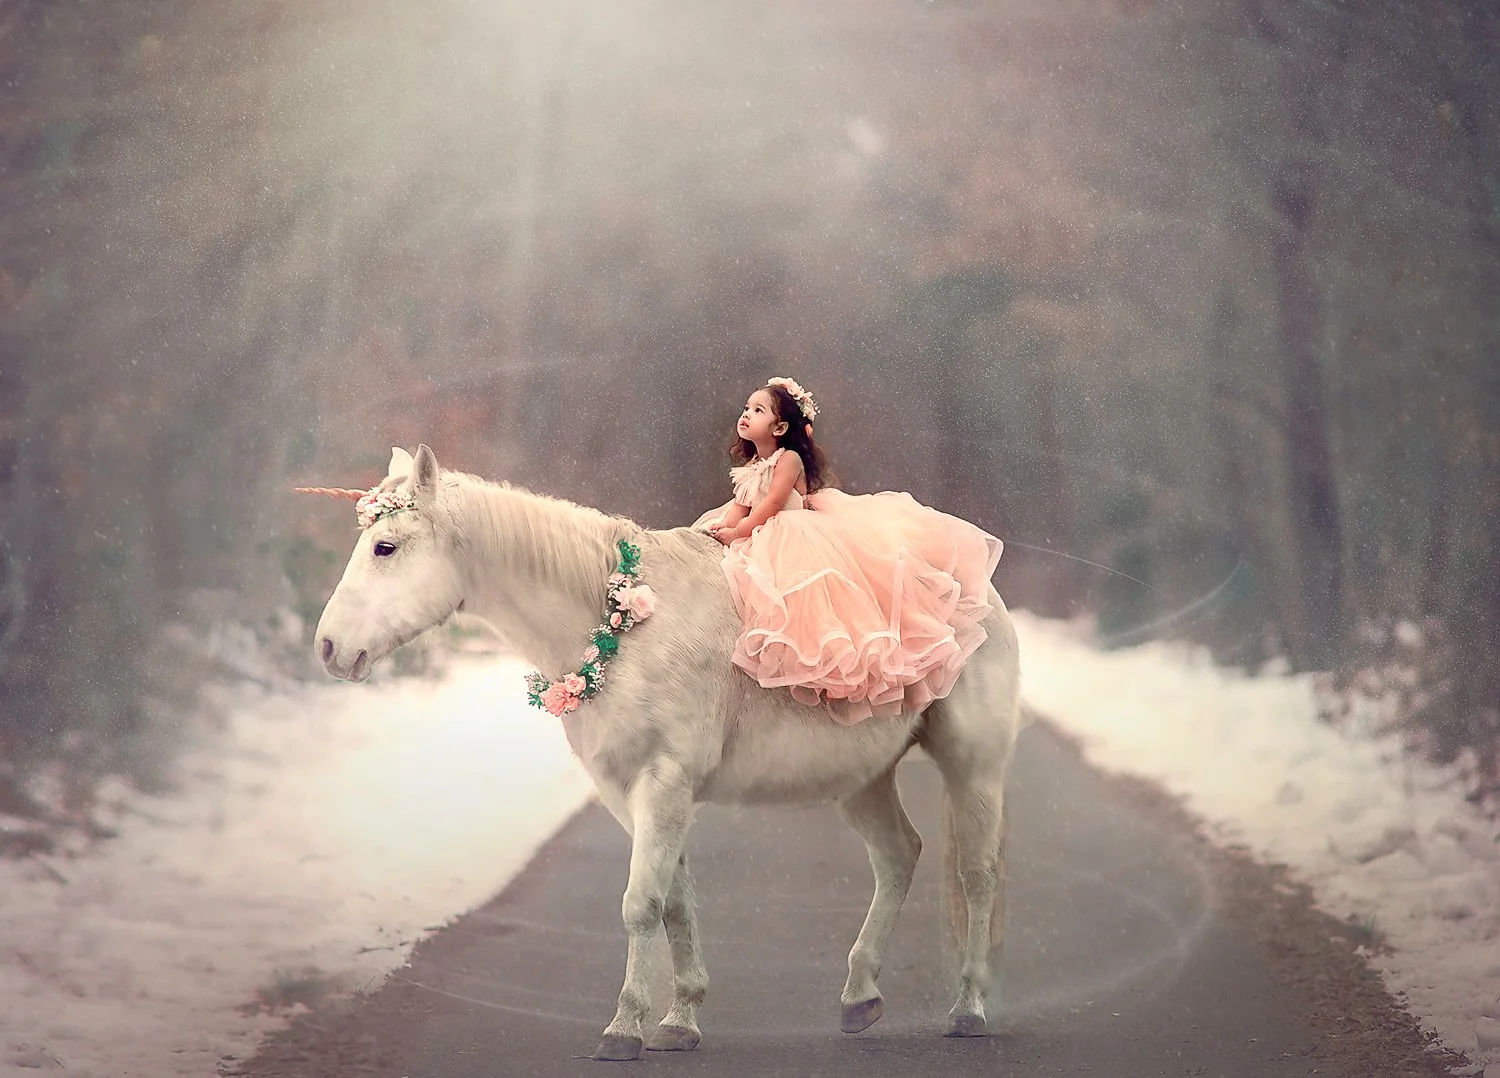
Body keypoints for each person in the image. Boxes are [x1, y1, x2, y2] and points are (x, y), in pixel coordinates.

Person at [694, 376, 1003, 724]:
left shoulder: (789, 460)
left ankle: (827, 661)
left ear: (779, 426)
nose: (746, 414)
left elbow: (772, 504)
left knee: (809, 598)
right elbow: (742, 503)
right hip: (762, 530)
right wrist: (724, 526)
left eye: (758, 410)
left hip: (792, 532)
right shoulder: (752, 465)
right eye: (747, 408)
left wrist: (740, 530)